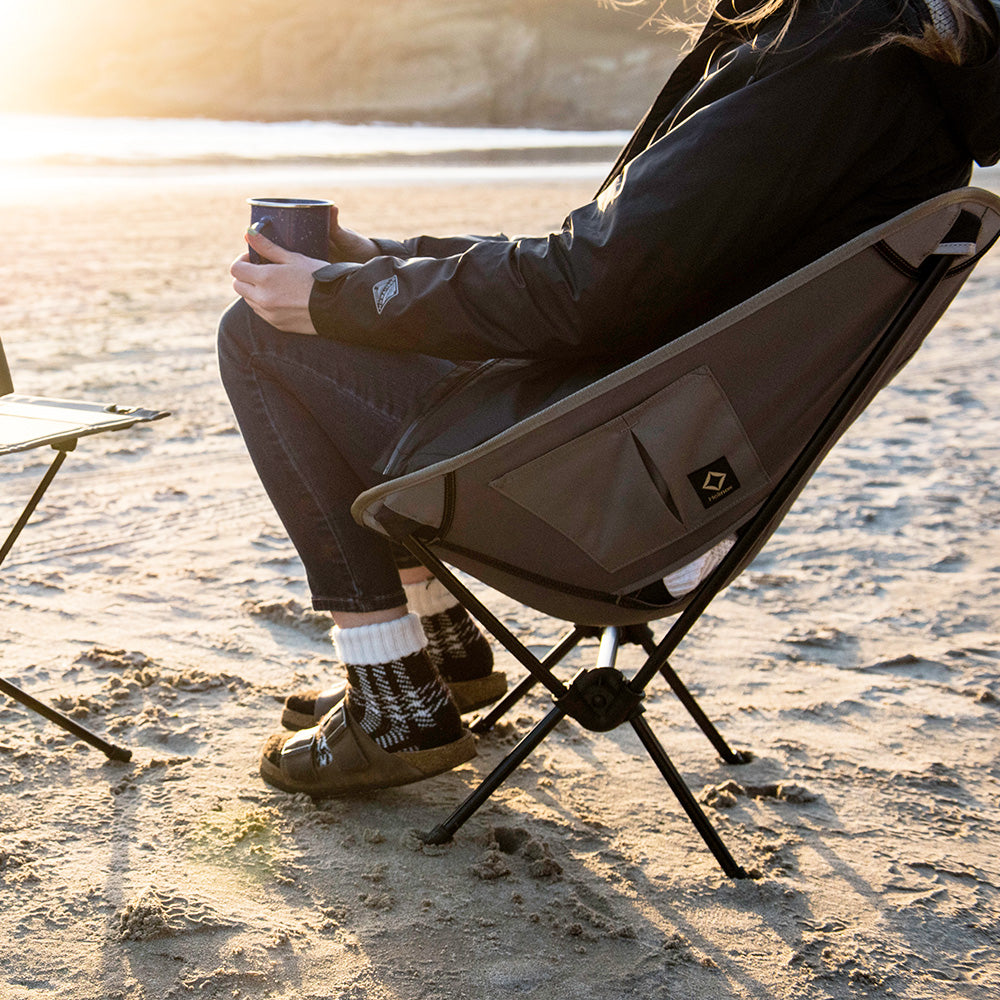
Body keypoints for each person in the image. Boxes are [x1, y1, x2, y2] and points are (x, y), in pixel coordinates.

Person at [218, 0, 1000, 798]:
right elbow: (609, 266)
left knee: (263, 338)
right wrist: (384, 262)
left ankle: (395, 698)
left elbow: (583, 289)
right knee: (339, 318)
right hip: (669, 451)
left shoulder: (828, 53)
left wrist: (346, 299)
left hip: (608, 475)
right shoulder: (897, 68)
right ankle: (446, 656)